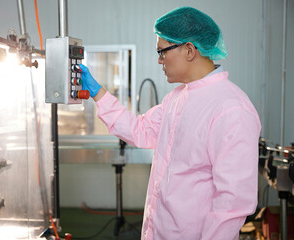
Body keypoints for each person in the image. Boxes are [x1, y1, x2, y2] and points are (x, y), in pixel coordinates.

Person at [79, 6, 261, 240]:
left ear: (189, 50)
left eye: (162, 52)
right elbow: (139, 130)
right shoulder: (176, 98)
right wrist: (98, 92)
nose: (159, 61)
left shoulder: (232, 109)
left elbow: (231, 205)